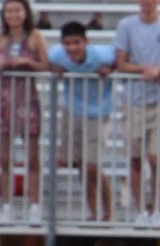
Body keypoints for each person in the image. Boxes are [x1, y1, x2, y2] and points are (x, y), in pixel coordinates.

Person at [114, 0, 160, 225]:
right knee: (135, 159)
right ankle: (140, 211)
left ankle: (156, 208)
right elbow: (121, 63)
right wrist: (146, 71)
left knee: (157, 159)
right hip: (133, 101)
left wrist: (159, 71)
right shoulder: (126, 25)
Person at [0, 0, 49, 223]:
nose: (13, 15)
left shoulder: (35, 36)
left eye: (17, 10)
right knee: (4, 157)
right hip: (5, 100)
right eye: (9, 11)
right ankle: (7, 204)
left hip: (27, 99)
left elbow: (46, 64)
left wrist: (28, 62)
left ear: (25, 13)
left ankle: (34, 204)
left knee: (32, 157)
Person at [49, 21, 117, 222]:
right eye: (67, 43)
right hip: (73, 110)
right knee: (81, 164)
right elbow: (48, 61)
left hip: (99, 112)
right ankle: (93, 212)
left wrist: (110, 69)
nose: (72, 48)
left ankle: (108, 212)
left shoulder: (103, 55)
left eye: (77, 43)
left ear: (86, 42)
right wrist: (55, 69)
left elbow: (121, 59)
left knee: (92, 165)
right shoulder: (57, 54)